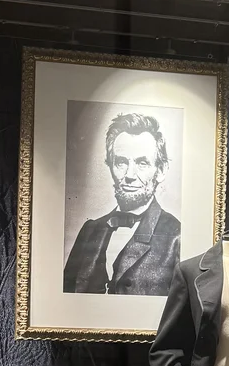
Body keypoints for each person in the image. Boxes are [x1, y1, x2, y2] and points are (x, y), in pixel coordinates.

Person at [63, 111, 181, 295]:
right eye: (121, 162)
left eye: (142, 163)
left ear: (161, 170)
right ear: (109, 165)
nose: (130, 176)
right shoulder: (90, 230)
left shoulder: (177, 237)